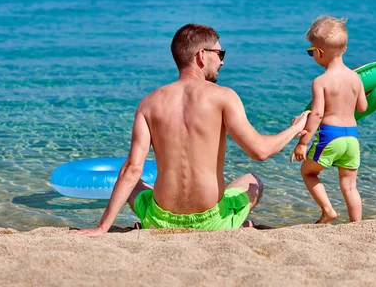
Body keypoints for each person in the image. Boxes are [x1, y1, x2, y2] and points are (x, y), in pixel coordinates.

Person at [73, 23, 309, 236]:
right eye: (220, 54)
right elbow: (259, 151)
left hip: (160, 220)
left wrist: (102, 227)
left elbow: (133, 168)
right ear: (201, 55)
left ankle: (143, 222)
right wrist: (295, 129)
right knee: (252, 180)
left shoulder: (149, 103)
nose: (223, 61)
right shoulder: (224, 97)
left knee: (131, 180)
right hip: (212, 222)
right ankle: (235, 224)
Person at [291, 16, 368, 224]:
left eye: (311, 51)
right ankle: (357, 225)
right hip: (352, 138)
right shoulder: (356, 78)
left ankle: (328, 210)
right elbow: (363, 107)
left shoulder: (321, 82)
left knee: (308, 172)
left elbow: (316, 114)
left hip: (330, 136)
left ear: (319, 53)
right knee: (350, 186)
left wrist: (302, 143)